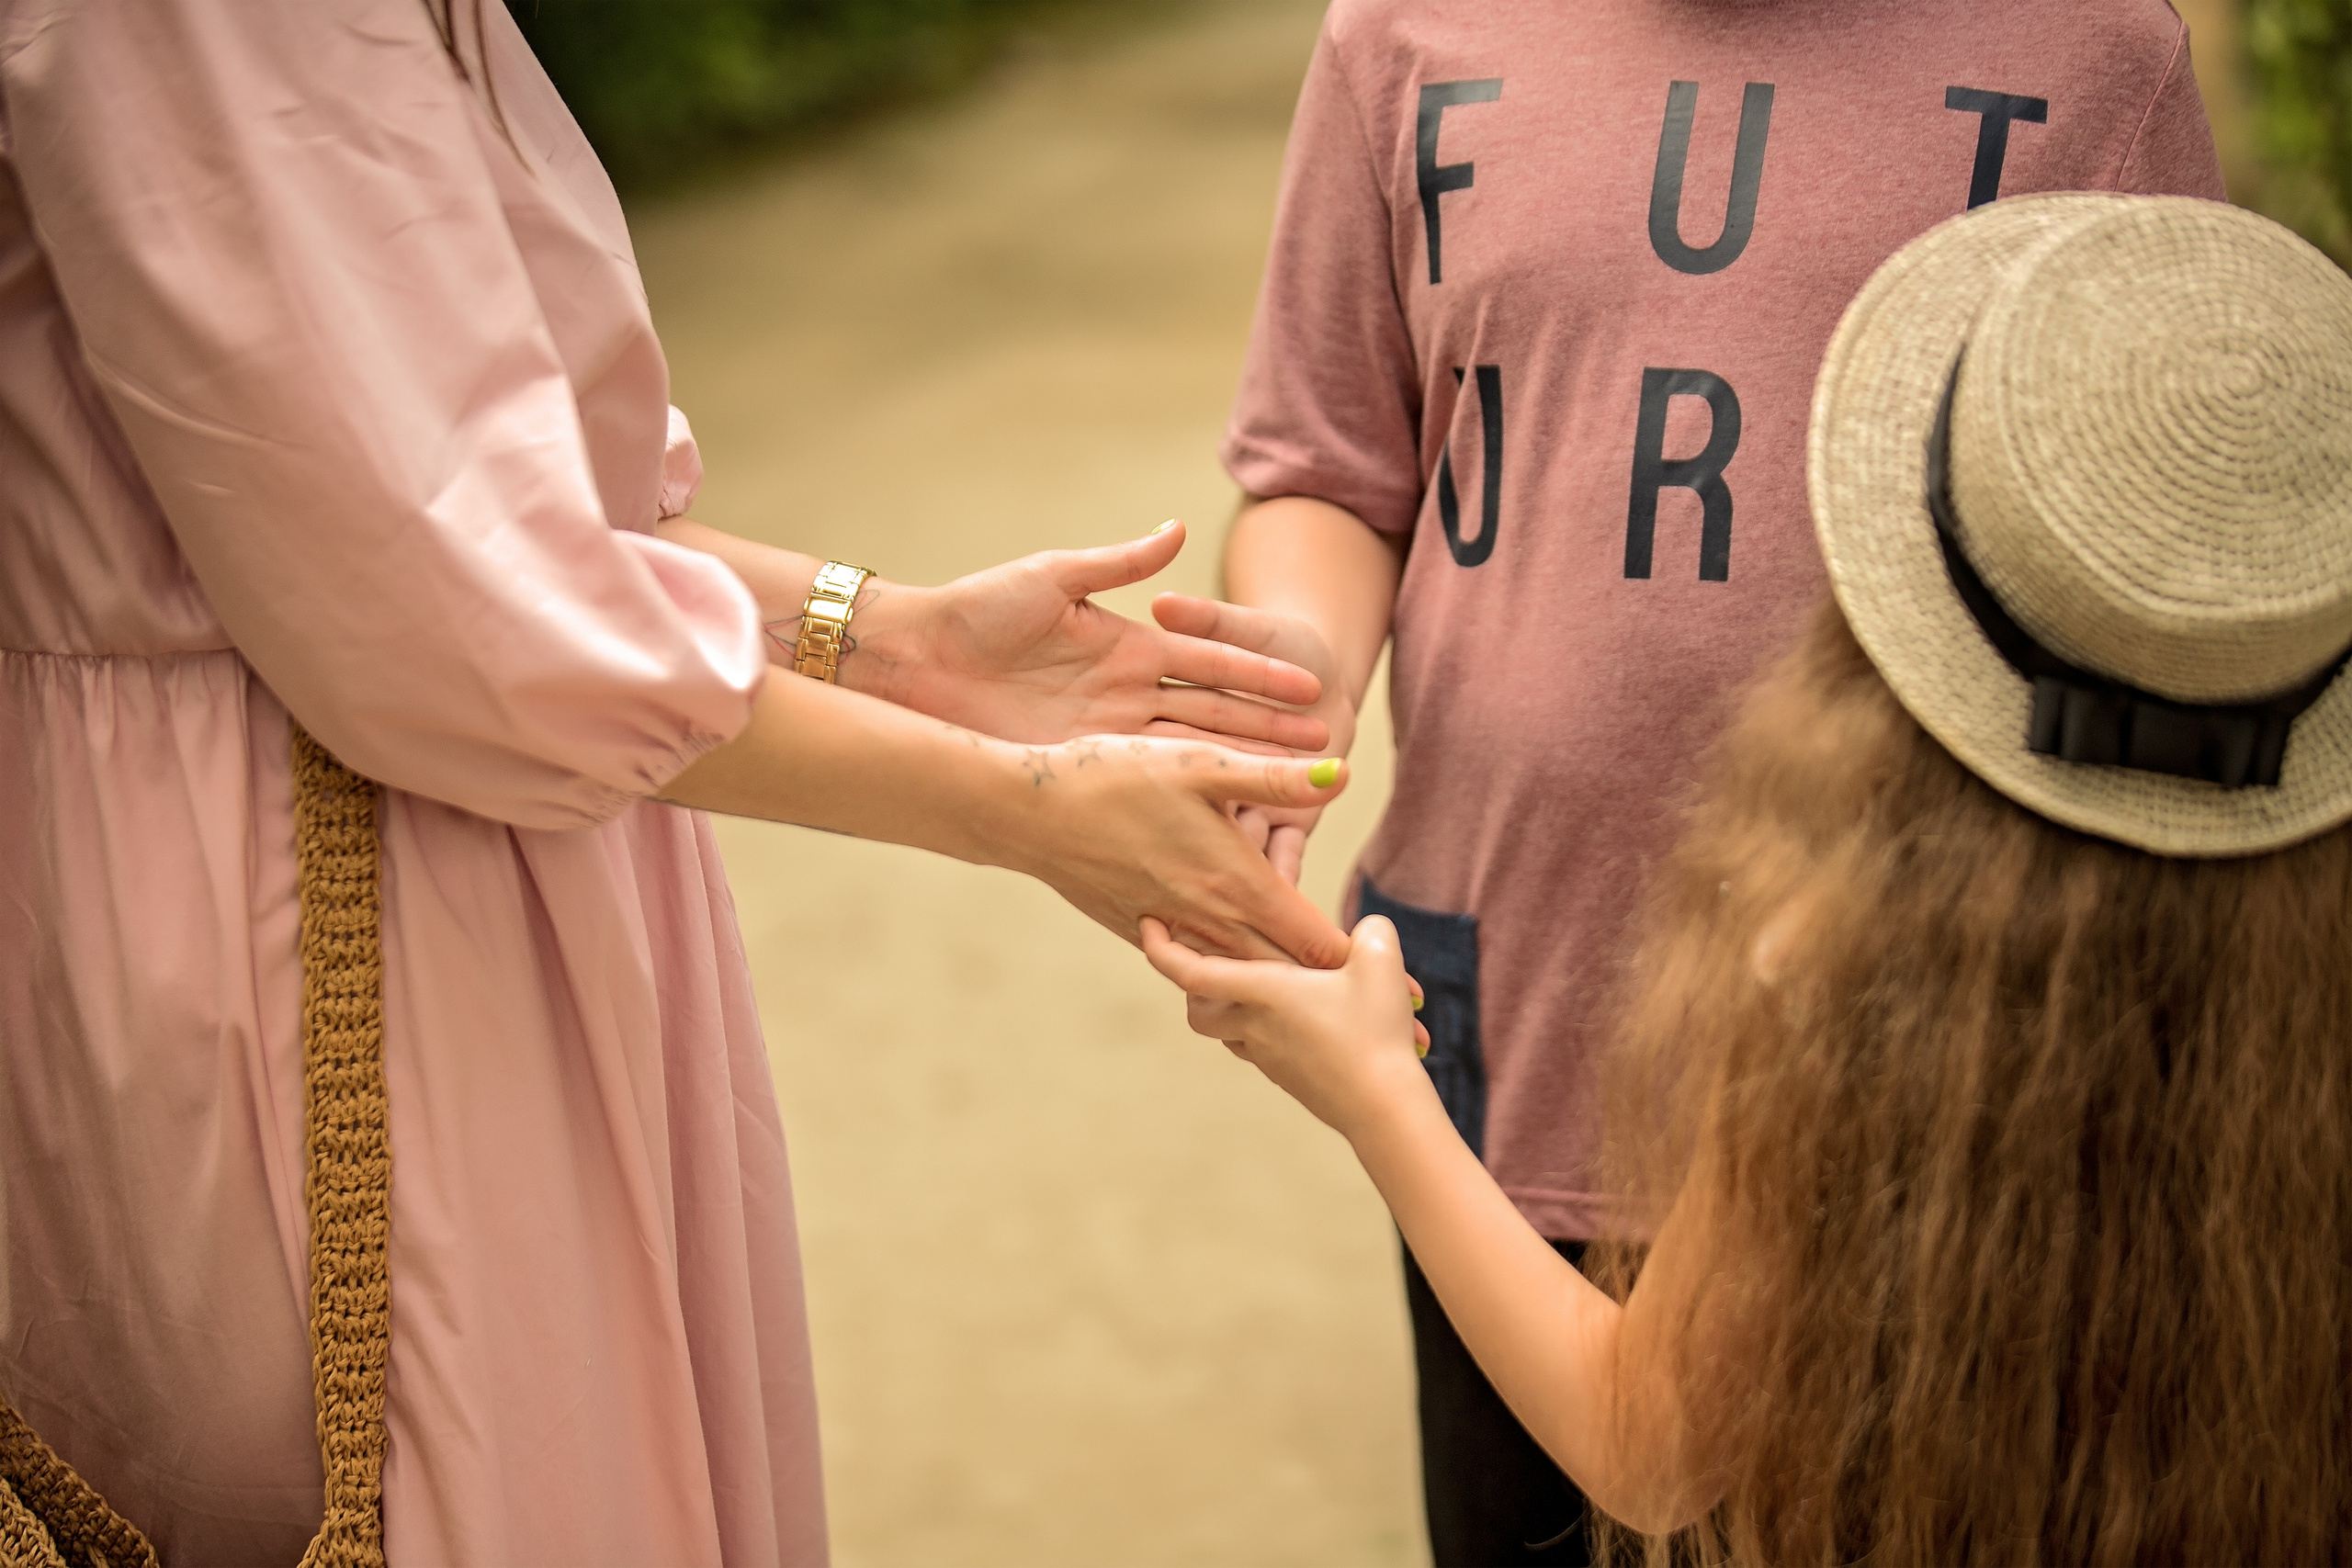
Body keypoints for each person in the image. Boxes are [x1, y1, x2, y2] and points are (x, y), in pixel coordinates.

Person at [0, 2, 1350, 1562]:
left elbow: (455, 518)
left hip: (422, 813)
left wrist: (897, 644)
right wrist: (1027, 815)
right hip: (319, 906)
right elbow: (453, 614)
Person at [1154, 2, 2233, 1559]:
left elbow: (2175, 548)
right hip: (1506, 998)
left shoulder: (2097, 55)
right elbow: (1330, 460)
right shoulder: (1401, 34)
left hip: (1921, 1047)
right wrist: (1300, 672)